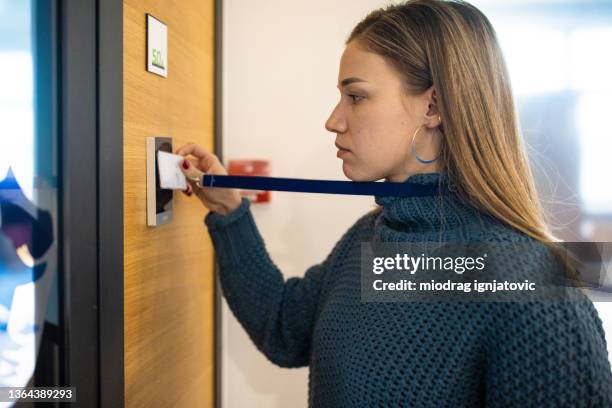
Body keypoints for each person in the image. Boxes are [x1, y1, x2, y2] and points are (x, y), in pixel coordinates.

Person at [176, 0, 612, 406]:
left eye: (357, 96)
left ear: (433, 107)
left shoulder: (530, 286)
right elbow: (284, 330)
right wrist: (229, 212)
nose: (333, 120)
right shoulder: (373, 240)